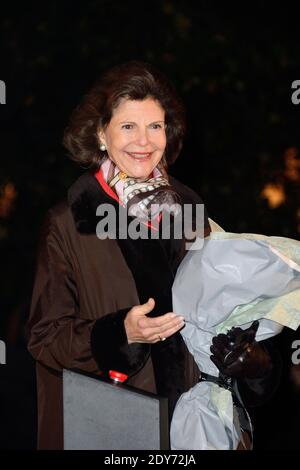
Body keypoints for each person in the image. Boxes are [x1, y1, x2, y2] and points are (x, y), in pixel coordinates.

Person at [27, 61, 279, 450]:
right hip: (111, 429)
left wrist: (253, 363)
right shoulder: (67, 223)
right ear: (100, 134)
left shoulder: (195, 218)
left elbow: (233, 318)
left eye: (155, 126)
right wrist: (119, 334)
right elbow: (45, 339)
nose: (143, 141)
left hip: (196, 429)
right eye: (128, 126)